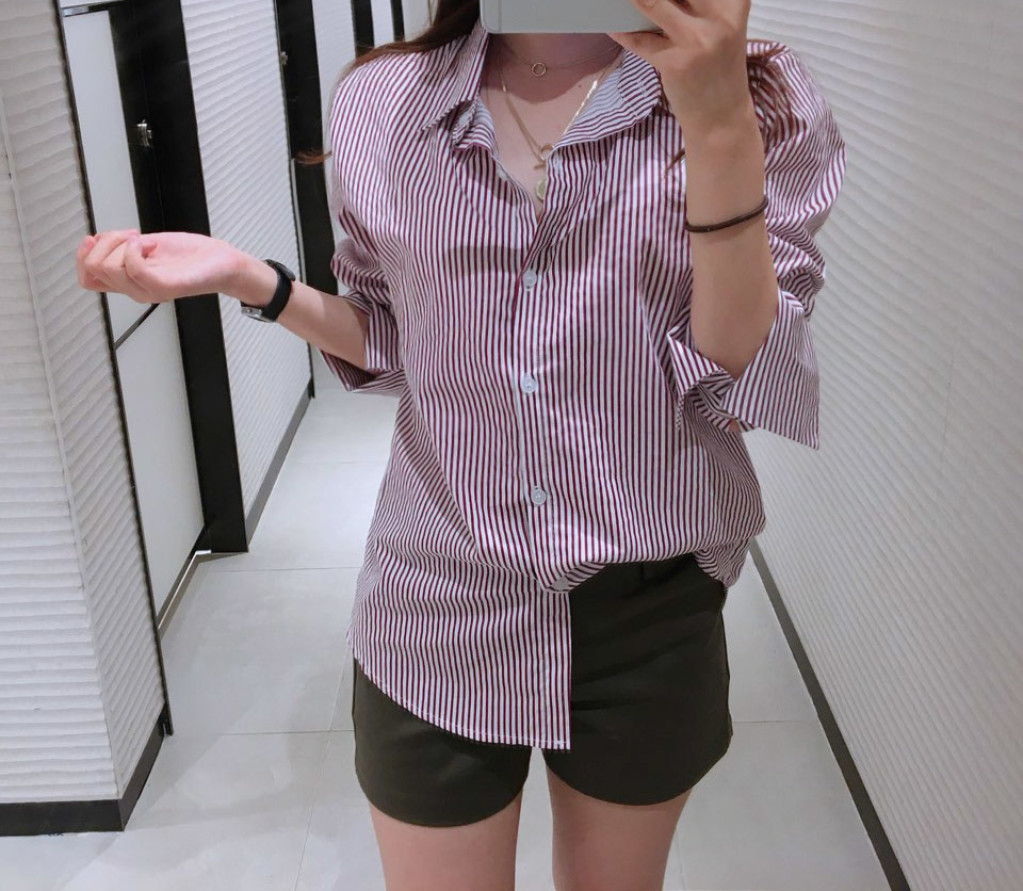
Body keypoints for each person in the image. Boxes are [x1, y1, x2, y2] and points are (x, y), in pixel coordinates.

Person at [76, 0, 846, 887]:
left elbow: (735, 382)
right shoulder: (384, 99)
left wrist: (715, 127)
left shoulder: (759, 93)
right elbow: (396, 336)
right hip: (437, 592)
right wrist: (254, 279)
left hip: (648, 601)